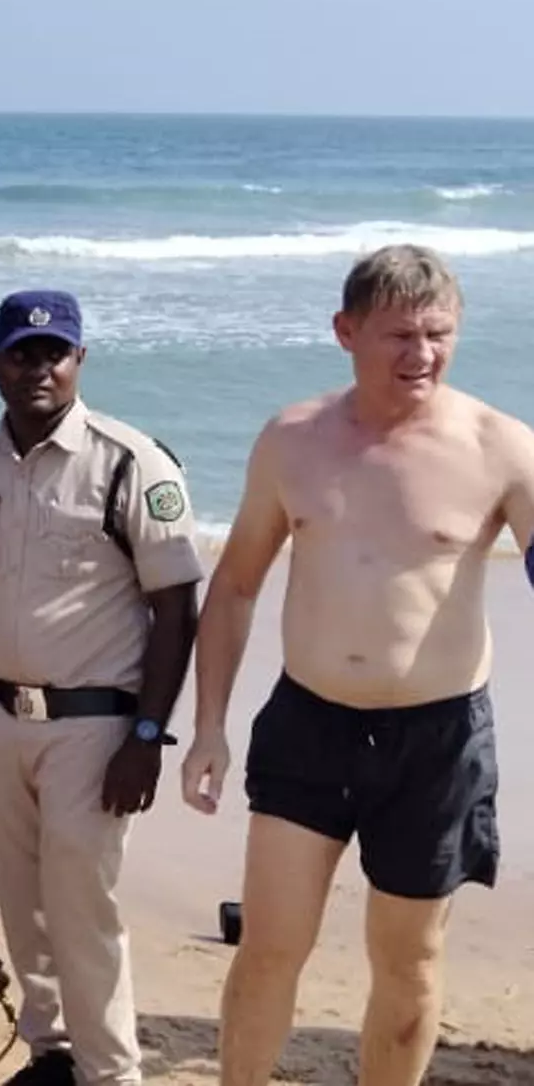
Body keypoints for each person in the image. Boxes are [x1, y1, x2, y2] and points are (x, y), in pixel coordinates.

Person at [178, 245, 532, 1086]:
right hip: (311, 723)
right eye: (400, 335)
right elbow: (234, 586)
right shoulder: (293, 439)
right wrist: (208, 728)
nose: (422, 354)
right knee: (270, 947)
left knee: (410, 962)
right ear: (346, 331)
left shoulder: (502, 447)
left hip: (438, 739)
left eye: (439, 334)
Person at [0, 289, 202, 1086]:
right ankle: (52, 1054)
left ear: (80, 360)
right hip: (0, 720)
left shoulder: (130, 462)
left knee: (84, 910)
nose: (38, 369)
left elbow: (177, 608)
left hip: (96, 727)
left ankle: (110, 1074)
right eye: (22, 353)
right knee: (24, 905)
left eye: (55, 353)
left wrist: (148, 737)